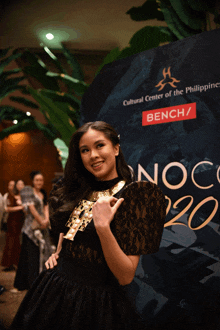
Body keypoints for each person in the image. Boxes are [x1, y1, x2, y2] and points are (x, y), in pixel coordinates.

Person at [10, 121, 166, 330]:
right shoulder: (75, 190)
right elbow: (68, 232)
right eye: (85, 150)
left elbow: (125, 275)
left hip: (95, 302)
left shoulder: (134, 197)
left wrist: (103, 228)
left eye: (100, 145)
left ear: (116, 148)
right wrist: (58, 253)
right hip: (53, 290)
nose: (93, 155)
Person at [11, 171, 53, 292]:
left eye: (41, 180)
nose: (39, 182)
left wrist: (46, 220)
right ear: (33, 181)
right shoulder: (28, 192)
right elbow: (32, 209)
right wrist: (42, 221)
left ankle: (38, 282)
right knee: (29, 257)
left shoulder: (43, 193)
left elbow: (46, 207)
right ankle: (29, 284)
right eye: (37, 180)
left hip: (42, 228)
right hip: (30, 229)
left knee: (42, 254)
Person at [1, 180, 25, 271]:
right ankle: (8, 264)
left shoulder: (22, 196)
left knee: (17, 243)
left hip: (20, 222)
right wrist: (20, 207)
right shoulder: (10, 196)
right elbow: (7, 209)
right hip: (12, 222)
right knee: (10, 242)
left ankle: (16, 263)